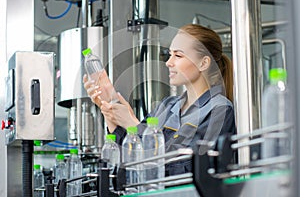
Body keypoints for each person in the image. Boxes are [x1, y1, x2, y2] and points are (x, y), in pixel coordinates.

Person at [83, 24, 236, 176]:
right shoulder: (167, 106)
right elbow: (130, 155)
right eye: (170, 54)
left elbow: (189, 168)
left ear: (203, 63)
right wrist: (108, 106)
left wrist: (133, 124)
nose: (169, 62)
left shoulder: (219, 110)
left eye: (178, 55)